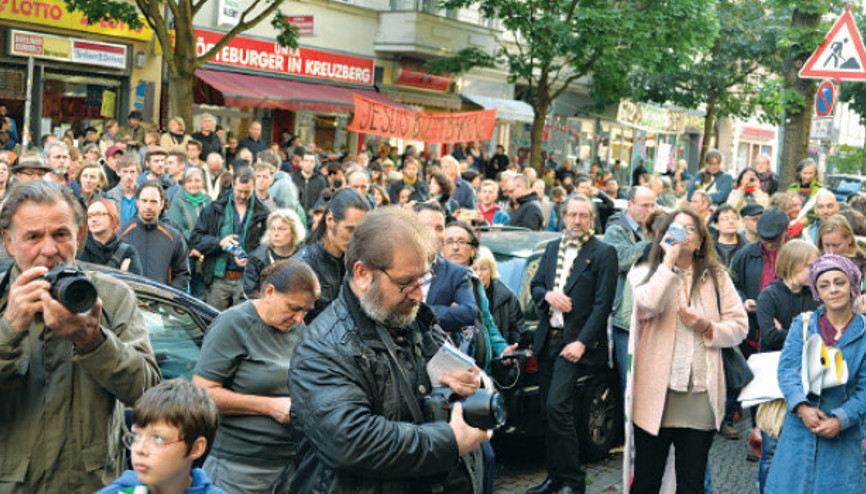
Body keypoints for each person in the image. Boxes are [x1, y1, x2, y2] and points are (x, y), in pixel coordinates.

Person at [288, 207, 490, 492]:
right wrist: (450, 440)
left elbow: (459, 371)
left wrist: (475, 382)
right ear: (362, 274)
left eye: (423, 279)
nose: (419, 293)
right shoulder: (322, 348)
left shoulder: (417, 319)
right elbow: (351, 441)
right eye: (406, 282)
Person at [0, 181, 159, 492]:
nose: (49, 250)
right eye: (33, 237)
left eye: (61, 234)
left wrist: (94, 342)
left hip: (91, 485)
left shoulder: (111, 298)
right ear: (9, 241)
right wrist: (8, 329)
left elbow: (149, 395)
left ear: (80, 235)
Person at [626, 208, 748, 494]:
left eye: (689, 230)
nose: (682, 236)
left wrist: (708, 327)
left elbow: (739, 326)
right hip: (656, 394)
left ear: (701, 239)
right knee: (646, 479)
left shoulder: (716, 277)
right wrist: (667, 262)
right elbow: (648, 305)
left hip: (700, 394)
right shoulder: (645, 273)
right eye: (675, 229)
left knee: (691, 483)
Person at [194, 260, 319, 493]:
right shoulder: (233, 324)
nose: (299, 319)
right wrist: (268, 406)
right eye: (293, 308)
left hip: (288, 463)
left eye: (305, 311)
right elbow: (203, 394)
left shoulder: (298, 328)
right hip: (239, 465)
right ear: (269, 292)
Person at [526, 195, 618, 494]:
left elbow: (603, 305)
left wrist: (581, 342)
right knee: (547, 411)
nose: (577, 221)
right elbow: (536, 285)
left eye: (583, 216)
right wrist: (547, 296)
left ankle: (574, 481)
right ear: (563, 217)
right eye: (572, 215)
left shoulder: (603, 253)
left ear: (591, 219)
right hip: (547, 340)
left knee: (558, 408)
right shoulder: (553, 248)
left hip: (574, 344)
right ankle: (554, 477)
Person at [765, 254, 866, 493]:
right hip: (799, 432)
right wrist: (801, 407)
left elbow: (864, 389)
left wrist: (840, 419)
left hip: (842, 438)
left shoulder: (863, 332)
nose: (833, 290)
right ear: (816, 291)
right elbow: (787, 370)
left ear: (852, 284)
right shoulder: (803, 324)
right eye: (824, 285)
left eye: (839, 282)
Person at [754, 240, 819, 492]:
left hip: (808, 379)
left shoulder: (815, 295)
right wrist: (801, 331)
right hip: (774, 380)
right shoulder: (769, 295)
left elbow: (821, 334)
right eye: (810, 266)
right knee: (771, 446)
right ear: (794, 265)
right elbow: (769, 335)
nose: (815, 271)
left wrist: (792, 332)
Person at [96, 378, 225, 494]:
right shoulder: (119, 491)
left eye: (158, 439)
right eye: (136, 436)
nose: (139, 449)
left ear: (196, 448)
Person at [190, 168, 270, 311]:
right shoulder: (214, 208)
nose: (243, 195)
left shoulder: (262, 212)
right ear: (233, 184)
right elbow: (195, 239)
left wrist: (251, 259)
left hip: (247, 280)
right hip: (218, 278)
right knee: (214, 323)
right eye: (240, 191)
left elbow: (266, 246)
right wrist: (219, 242)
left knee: (242, 326)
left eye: (247, 191)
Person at [604, 186, 655, 395]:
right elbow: (620, 259)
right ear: (630, 204)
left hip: (653, 312)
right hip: (626, 315)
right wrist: (652, 246)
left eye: (653, 205)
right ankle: (630, 426)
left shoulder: (654, 228)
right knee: (630, 379)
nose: (650, 210)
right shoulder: (616, 230)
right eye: (645, 205)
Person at [292, 188, 370, 322]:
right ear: (330, 220)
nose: (356, 238)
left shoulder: (357, 261)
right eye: (350, 229)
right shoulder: (301, 268)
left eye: (361, 231)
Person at [417, 203, 478, 333]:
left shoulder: (456, 273)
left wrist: (423, 312)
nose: (434, 234)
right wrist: (448, 311)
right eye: (427, 228)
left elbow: (469, 312)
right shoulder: (395, 265)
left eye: (439, 228)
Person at [120, 181, 190, 291]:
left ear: (161, 204)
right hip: (130, 301)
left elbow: (182, 273)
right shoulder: (122, 233)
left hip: (161, 303)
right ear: (137, 202)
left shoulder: (173, 237)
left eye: (153, 202)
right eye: (144, 201)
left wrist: (170, 299)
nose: (148, 206)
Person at [169, 167, 212, 300]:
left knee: (205, 293)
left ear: (202, 183)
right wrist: (195, 246)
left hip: (206, 254)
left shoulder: (208, 201)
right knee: (189, 294)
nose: (193, 184)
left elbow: (214, 226)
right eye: (189, 181)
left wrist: (203, 247)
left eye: (197, 181)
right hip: (187, 253)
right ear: (185, 183)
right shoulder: (178, 202)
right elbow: (178, 228)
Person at [243, 209, 305, 299]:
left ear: (294, 232)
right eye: (272, 229)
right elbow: (249, 294)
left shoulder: (305, 256)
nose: (276, 234)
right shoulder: (256, 258)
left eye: (282, 229)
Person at [474, 245, 528, 345]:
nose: (478, 274)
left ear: (491, 271)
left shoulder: (508, 297)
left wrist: (508, 354)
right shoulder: (462, 294)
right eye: (474, 269)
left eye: (483, 269)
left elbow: (519, 332)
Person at [78, 199, 143, 275]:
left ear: (113, 218)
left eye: (99, 214)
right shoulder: (79, 250)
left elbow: (136, 284)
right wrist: (121, 275)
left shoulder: (127, 252)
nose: (93, 219)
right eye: (89, 216)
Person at [105, 153, 142, 224]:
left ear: (138, 173)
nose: (129, 176)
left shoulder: (145, 194)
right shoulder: (109, 197)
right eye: (125, 171)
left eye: (132, 172)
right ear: (118, 172)